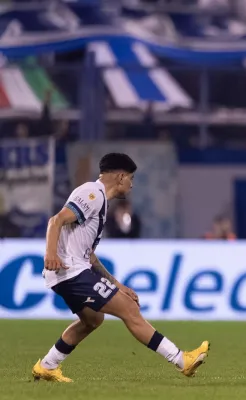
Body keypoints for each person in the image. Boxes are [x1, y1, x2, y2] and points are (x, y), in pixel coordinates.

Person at [32, 153, 209, 383]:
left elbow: (90, 256)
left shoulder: (99, 202)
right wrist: (50, 254)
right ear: (121, 176)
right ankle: (181, 360)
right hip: (70, 271)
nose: (132, 184)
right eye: (131, 178)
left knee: (93, 320)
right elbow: (55, 221)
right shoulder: (92, 194)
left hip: (72, 270)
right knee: (129, 310)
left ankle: (47, 365)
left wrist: (117, 285)